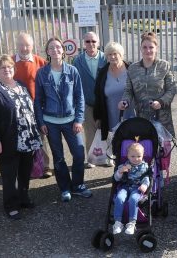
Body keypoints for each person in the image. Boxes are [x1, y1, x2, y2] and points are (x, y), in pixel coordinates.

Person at [0, 55, 42, 220]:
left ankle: (23, 198)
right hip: (8, 142)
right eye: (2, 68)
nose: (7, 70)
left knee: (24, 172)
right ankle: (10, 205)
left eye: (9, 67)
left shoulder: (21, 85)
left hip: (27, 139)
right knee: (9, 175)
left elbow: (29, 108)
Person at [35, 37, 93, 200]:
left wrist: (79, 120)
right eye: (51, 48)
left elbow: (79, 97)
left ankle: (78, 185)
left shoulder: (72, 71)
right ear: (47, 52)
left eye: (58, 47)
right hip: (51, 122)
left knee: (79, 153)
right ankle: (65, 188)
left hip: (71, 120)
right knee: (58, 157)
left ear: (63, 50)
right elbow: (38, 100)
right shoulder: (42, 73)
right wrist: (41, 122)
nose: (55, 50)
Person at [119, 32, 176, 136]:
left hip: (162, 118)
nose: (148, 50)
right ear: (140, 49)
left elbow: (171, 89)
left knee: (164, 150)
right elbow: (128, 90)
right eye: (144, 47)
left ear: (156, 48)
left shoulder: (164, 66)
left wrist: (161, 102)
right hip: (142, 119)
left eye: (151, 47)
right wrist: (125, 101)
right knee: (146, 149)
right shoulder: (132, 68)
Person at [13, 32, 53, 178]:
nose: (24, 48)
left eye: (27, 45)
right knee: (22, 138)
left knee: (41, 137)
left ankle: (45, 166)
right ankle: (27, 167)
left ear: (32, 46)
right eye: (21, 45)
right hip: (18, 109)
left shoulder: (40, 62)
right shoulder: (11, 62)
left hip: (38, 107)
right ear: (16, 45)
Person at [72, 32, 106, 168]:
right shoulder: (77, 61)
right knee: (90, 131)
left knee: (105, 130)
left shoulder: (106, 58)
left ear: (98, 42)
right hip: (86, 102)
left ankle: (107, 157)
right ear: (83, 43)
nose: (91, 44)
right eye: (87, 41)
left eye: (93, 41)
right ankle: (92, 158)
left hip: (104, 102)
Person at [93, 41, 135, 144]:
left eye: (115, 54)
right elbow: (98, 96)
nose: (112, 57)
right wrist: (98, 117)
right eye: (109, 54)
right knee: (116, 146)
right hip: (111, 116)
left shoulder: (131, 69)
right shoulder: (102, 73)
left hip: (132, 115)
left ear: (121, 54)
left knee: (133, 145)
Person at [112, 142, 150, 235]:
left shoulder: (144, 167)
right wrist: (120, 172)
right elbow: (116, 178)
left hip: (137, 188)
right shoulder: (124, 165)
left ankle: (132, 223)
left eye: (139, 156)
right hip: (125, 186)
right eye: (133, 156)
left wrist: (145, 185)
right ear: (128, 156)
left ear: (143, 155)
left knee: (133, 199)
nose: (136, 159)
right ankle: (118, 222)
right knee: (119, 198)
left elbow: (146, 178)